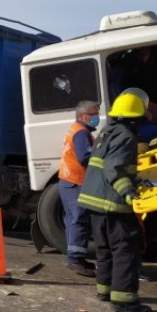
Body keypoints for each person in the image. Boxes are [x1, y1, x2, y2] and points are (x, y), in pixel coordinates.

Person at [77, 90, 152, 312]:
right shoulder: (127, 136)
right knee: (125, 251)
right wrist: (129, 193)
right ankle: (124, 301)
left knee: (105, 248)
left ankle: (106, 290)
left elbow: (107, 165)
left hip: (94, 200)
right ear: (135, 116)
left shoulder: (107, 132)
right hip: (112, 202)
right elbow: (114, 168)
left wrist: (134, 178)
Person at [58, 100, 99, 277]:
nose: (97, 117)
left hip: (68, 181)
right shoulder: (81, 133)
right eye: (94, 114)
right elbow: (85, 158)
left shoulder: (77, 129)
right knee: (79, 220)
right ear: (84, 116)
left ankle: (76, 258)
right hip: (75, 181)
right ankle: (75, 260)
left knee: (73, 220)